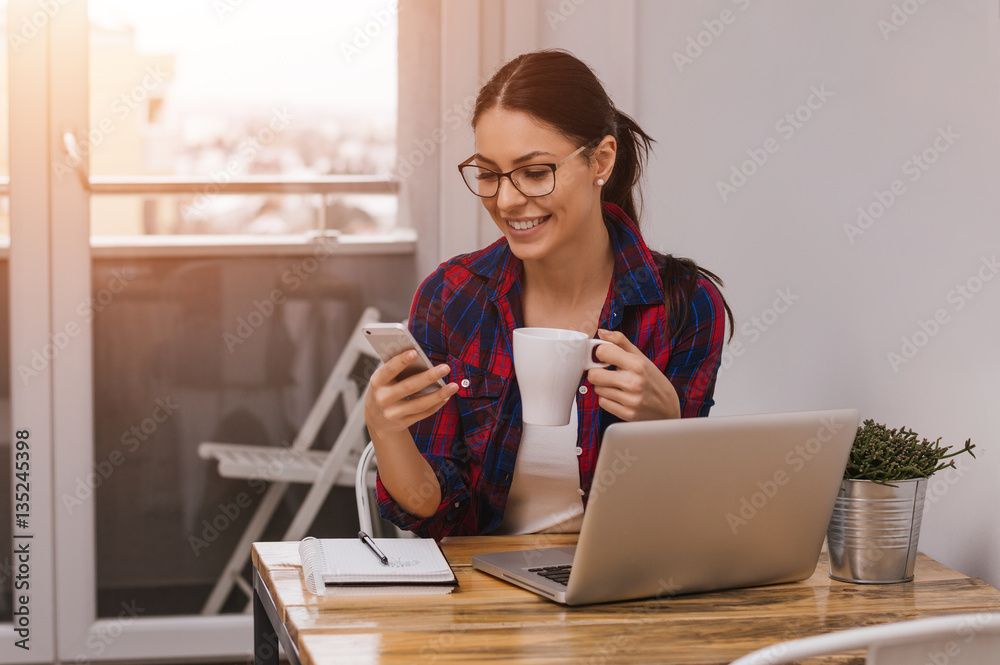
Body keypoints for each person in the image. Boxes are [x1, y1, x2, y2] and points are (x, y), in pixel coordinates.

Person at [365, 49, 732, 539]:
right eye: (490, 174)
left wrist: (665, 429)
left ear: (601, 159)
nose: (508, 200)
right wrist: (386, 433)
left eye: (535, 172)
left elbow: (683, 523)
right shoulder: (453, 297)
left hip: (624, 595)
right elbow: (437, 512)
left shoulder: (683, 304)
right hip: (484, 599)